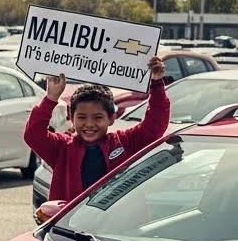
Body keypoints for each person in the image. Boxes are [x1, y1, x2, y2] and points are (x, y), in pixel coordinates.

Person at [25, 57, 170, 211]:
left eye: (98, 117)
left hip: (115, 226)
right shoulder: (62, 148)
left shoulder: (125, 142)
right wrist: (51, 98)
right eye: (81, 117)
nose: (89, 124)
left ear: (112, 118)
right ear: (71, 117)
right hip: (70, 228)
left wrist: (156, 84)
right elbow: (33, 134)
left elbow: (155, 124)